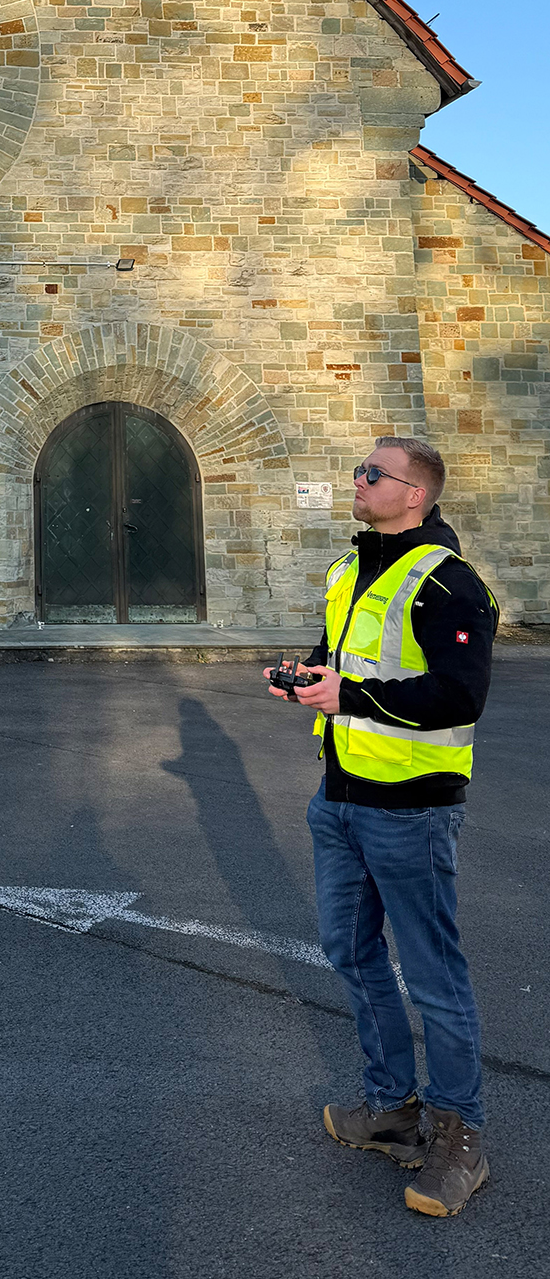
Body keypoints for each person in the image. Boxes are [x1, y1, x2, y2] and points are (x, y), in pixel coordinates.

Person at [266, 436, 499, 1217]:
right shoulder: (348, 568)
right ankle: (391, 1108)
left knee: (433, 975)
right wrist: (304, 677)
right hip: (337, 798)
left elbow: (459, 696)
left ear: (414, 494)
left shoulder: (451, 585)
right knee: (350, 952)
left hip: (412, 808)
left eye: (372, 473)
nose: (356, 481)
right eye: (357, 470)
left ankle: (459, 1136)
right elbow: (340, 657)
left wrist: (350, 698)